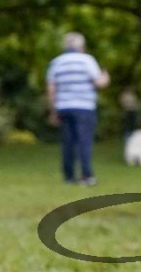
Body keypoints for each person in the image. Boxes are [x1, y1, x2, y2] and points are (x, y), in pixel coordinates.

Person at [47, 31, 110, 185]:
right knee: (84, 141)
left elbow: (51, 88)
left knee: (68, 143)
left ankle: (68, 177)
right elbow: (98, 82)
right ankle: (87, 176)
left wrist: (53, 110)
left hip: (64, 106)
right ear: (81, 46)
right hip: (84, 107)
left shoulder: (57, 62)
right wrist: (106, 77)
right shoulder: (87, 60)